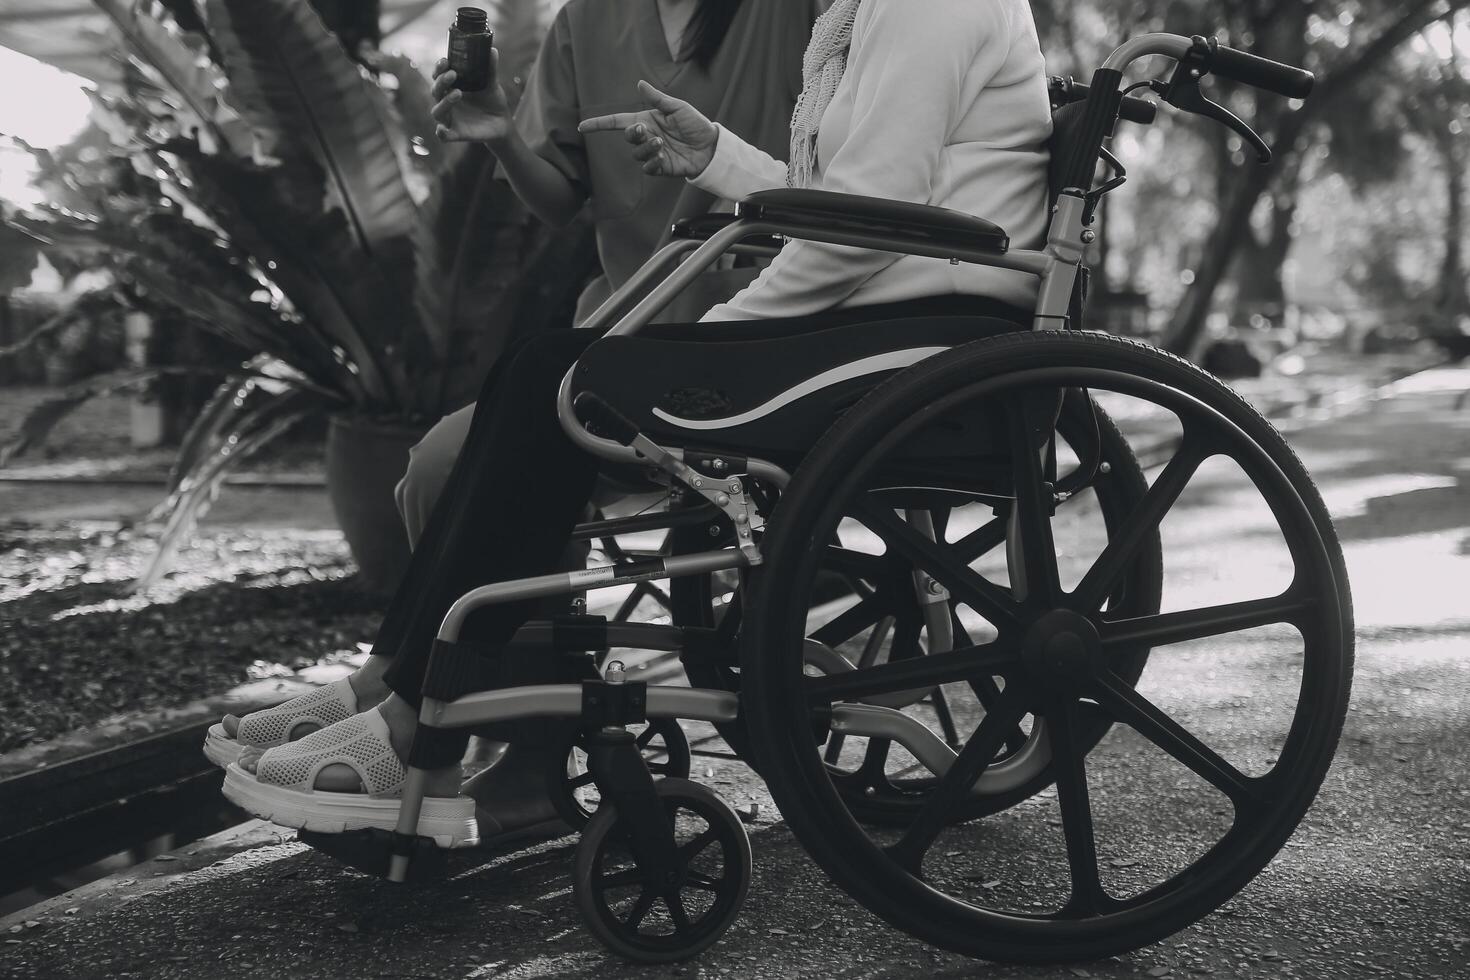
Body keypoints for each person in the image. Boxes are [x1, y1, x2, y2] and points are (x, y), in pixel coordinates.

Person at [220, 0, 1055, 849]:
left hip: (918, 333)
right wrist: (721, 159)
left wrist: (707, 342)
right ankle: (393, 695)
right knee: (543, 368)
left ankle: (411, 729)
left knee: (564, 374)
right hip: (895, 313)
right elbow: (849, 205)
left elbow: (866, 225)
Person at [207, 0, 814, 791]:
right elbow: (562, 196)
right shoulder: (590, 21)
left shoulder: (801, 14)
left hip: (753, 344)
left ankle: (475, 750)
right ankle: (458, 722)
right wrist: (499, 135)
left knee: (530, 438)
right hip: (618, 333)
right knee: (439, 464)